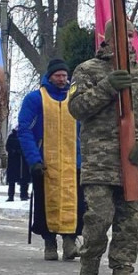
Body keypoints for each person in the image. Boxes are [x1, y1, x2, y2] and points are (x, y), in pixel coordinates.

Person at [68, 21, 138, 275]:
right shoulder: (87, 70)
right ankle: (89, 271)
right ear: (107, 38)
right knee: (98, 221)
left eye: (130, 35)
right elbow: (76, 108)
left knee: (129, 227)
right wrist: (107, 87)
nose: (126, 40)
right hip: (100, 163)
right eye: (120, 35)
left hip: (135, 163)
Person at [18, 58, 84, 261]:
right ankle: (49, 243)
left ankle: (70, 242)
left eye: (65, 76)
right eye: (58, 75)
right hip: (45, 162)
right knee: (46, 203)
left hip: (74, 162)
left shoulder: (75, 99)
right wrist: (33, 159)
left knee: (76, 204)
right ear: (50, 76)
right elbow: (24, 130)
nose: (62, 79)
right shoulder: (35, 99)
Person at [4, 127, 30, 202]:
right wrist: (14, 151)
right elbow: (8, 147)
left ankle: (24, 194)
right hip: (13, 161)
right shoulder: (11, 137)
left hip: (23, 161)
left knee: (24, 179)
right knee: (12, 180)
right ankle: (11, 196)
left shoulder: (25, 136)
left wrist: (23, 152)